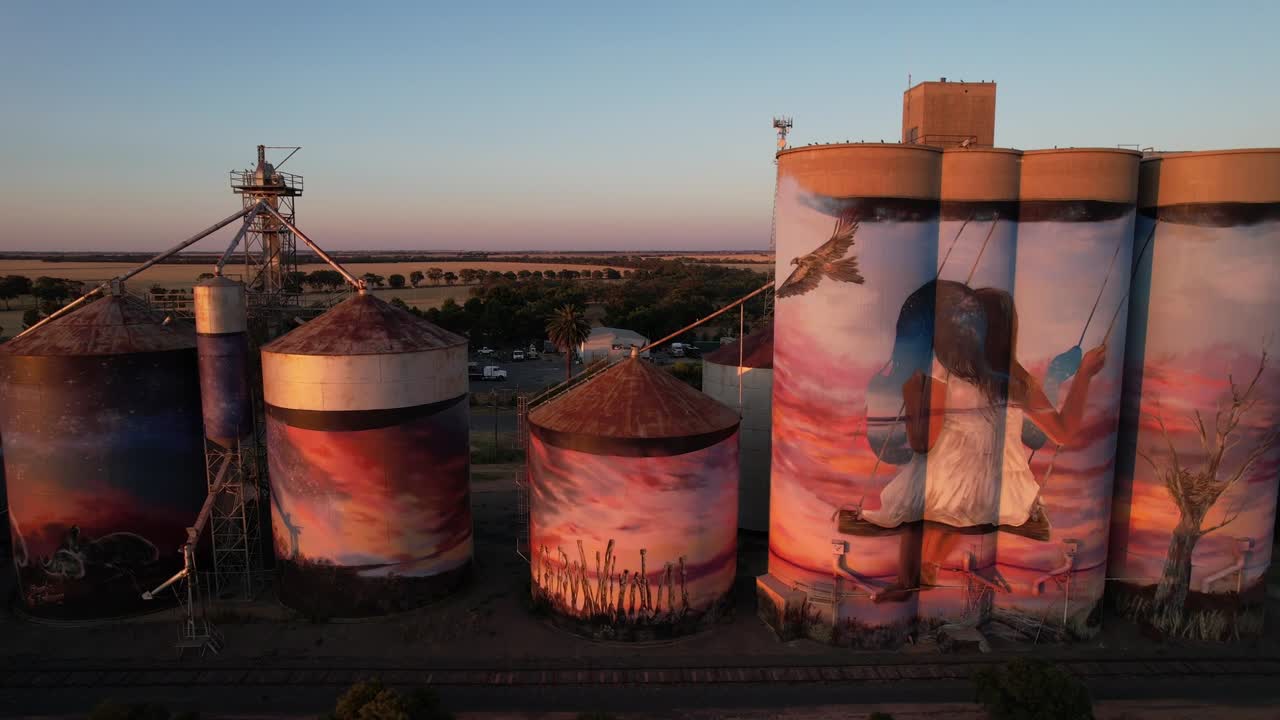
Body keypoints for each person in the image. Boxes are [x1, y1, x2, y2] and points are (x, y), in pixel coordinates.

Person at [850, 282, 1106, 601]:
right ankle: (927, 567)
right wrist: (1084, 376)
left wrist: (914, 396)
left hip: (951, 482)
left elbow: (924, 442)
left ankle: (909, 579)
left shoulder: (944, 370)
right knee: (955, 502)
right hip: (1001, 491)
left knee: (925, 490)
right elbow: (1064, 432)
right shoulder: (1018, 380)